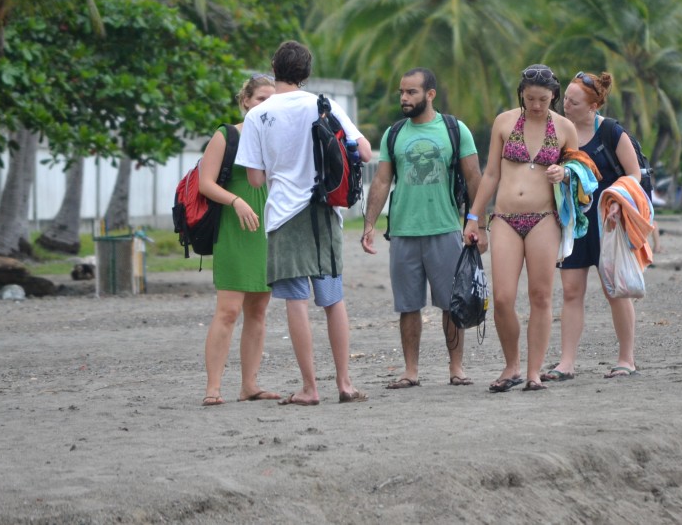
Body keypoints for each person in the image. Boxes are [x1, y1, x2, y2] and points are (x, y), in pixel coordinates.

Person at [236, 40, 373, 406]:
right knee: (333, 299)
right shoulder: (322, 104)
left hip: (284, 215)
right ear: (306, 73)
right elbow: (365, 151)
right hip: (325, 211)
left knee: (295, 300)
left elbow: (254, 180)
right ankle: (344, 384)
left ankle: (310, 388)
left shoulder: (257, 116)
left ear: (274, 67)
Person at [361, 68, 483, 389]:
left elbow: (474, 178)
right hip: (403, 232)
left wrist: (477, 222)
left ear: (430, 94)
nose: (404, 98)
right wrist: (369, 223)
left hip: (444, 228)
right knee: (408, 306)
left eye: (412, 92)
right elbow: (383, 180)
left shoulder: (456, 130)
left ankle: (456, 368)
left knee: (451, 303)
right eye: (402, 92)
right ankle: (410, 371)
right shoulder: (394, 133)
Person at [463, 65, 579, 392]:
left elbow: (583, 172)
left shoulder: (565, 128)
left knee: (541, 296)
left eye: (543, 99)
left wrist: (565, 173)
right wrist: (474, 218)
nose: (536, 105)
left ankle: (533, 372)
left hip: (544, 217)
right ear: (521, 95)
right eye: (530, 98)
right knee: (502, 297)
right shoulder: (505, 121)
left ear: (554, 96)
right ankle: (511, 364)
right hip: (504, 218)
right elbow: (490, 175)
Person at [544, 72, 641, 382]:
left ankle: (627, 359)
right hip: (573, 222)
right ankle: (566, 363)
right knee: (571, 291)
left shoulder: (611, 132)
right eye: (565, 99)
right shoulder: (557, 131)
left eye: (573, 102)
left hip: (608, 221)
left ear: (594, 105)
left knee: (615, 291)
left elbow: (635, 174)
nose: (565, 106)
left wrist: (617, 202)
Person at [199, 74, 277, 407]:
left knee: (258, 311)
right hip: (234, 228)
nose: (266, 106)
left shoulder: (277, 138)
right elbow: (205, 183)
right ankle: (213, 387)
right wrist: (236, 200)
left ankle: (249, 384)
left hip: (268, 228)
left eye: (272, 101)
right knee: (228, 311)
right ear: (245, 100)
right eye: (261, 99)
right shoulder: (226, 135)